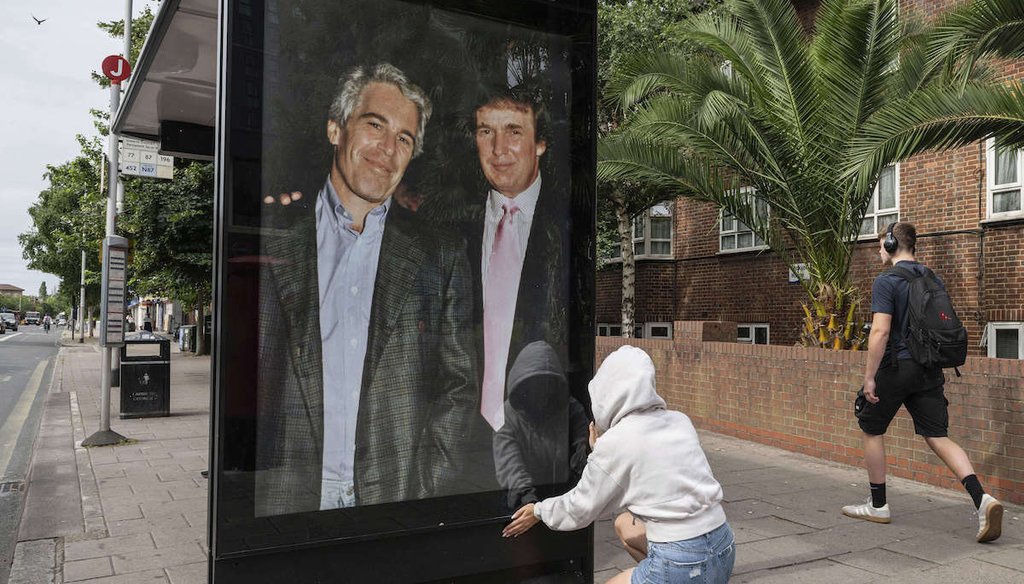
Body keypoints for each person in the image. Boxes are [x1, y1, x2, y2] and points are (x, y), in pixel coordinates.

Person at [254, 63, 477, 516]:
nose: (388, 149)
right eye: (375, 125)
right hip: (287, 498)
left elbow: (457, 389)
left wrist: (425, 491)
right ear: (336, 129)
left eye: (405, 138)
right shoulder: (270, 236)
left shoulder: (441, 256)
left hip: (393, 501)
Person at [503, 346, 735, 584]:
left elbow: (581, 508)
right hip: (723, 545)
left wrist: (539, 511)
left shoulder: (616, 443)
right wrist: (601, 452)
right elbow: (647, 462)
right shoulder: (679, 421)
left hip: (681, 562)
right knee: (624, 524)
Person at [843, 222, 1003, 542]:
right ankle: (982, 499)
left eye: (880, 245)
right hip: (930, 368)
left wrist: (869, 378)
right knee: (937, 435)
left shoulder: (886, 280)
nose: (878, 251)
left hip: (896, 366)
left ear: (890, 245)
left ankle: (878, 505)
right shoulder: (932, 277)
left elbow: (880, 332)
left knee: (871, 427)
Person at [467, 82, 569, 432]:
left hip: (540, 437)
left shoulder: (567, 225)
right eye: (486, 132)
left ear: (540, 143)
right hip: (464, 442)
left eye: (513, 132)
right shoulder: (452, 227)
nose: (498, 149)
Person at [493, 341, 588, 511]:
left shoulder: (571, 409)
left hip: (565, 504)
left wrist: (588, 452)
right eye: (535, 383)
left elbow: (583, 453)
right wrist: (529, 502)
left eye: (548, 383)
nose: (542, 390)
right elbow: (510, 466)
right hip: (523, 504)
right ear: (524, 384)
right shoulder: (506, 415)